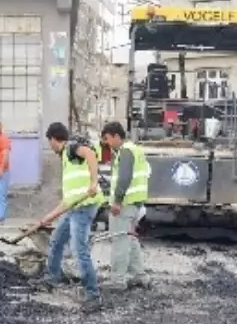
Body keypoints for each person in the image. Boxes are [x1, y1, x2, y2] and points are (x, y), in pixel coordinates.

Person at [36, 122, 106, 314]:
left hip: (84, 207)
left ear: (53, 138)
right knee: (57, 240)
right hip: (75, 207)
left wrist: (93, 182)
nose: (49, 146)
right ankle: (52, 278)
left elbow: (90, 155)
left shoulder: (71, 148)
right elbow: (68, 200)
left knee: (79, 249)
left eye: (49, 141)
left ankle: (93, 294)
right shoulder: (67, 159)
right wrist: (48, 217)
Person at [99, 121, 151, 290]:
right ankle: (140, 276)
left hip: (125, 204)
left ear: (116, 136)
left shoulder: (126, 151)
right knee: (130, 239)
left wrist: (117, 201)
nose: (107, 143)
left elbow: (124, 178)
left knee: (120, 241)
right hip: (135, 203)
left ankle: (117, 281)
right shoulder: (135, 149)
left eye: (107, 138)